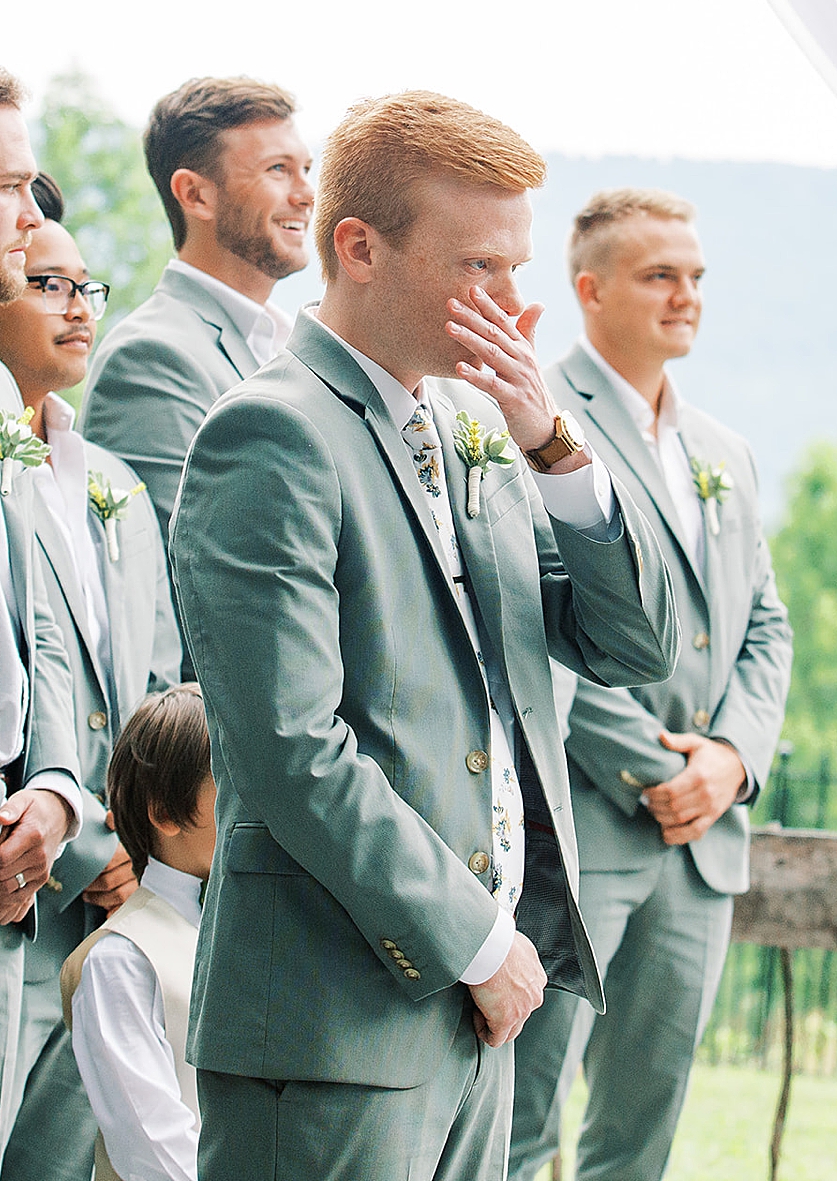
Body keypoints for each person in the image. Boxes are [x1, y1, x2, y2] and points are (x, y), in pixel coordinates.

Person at [168, 91, 680, 1181]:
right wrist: (480, 943)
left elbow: (631, 650)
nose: (511, 307)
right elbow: (291, 748)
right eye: (478, 267)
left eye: (516, 269)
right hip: (331, 1030)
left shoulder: (471, 427)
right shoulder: (270, 432)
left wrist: (551, 446)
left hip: (475, 1021)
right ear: (359, 248)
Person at [508, 188, 793, 1181]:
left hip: (701, 840)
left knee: (641, 1135)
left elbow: (765, 623)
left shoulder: (726, 452)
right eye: (659, 275)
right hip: (583, 823)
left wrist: (730, 762)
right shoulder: (532, 418)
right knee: (522, 1117)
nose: (686, 296)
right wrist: (654, 769)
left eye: (696, 277)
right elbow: (535, 619)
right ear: (590, 290)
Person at [0, 172, 182, 1181]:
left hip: (112, 902)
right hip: (13, 883)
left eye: (87, 287)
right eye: (47, 283)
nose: (77, 307)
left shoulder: (116, 486)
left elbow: (159, 677)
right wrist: (74, 834)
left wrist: (137, 842)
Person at [0, 65, 81, 1181]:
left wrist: (53, 791)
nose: (31, 213)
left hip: (4, 887)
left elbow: (30, 629)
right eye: (9, 186)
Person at [81, 75, 314, 542]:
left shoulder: (293, 343)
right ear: (195, 195)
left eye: (306, 169)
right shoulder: (149, 359)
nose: (306, 194)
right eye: (278, 169)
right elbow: (186, 558)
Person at [62, 684, 213, 1181]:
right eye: (230, 785)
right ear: (165, 813)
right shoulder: (119, 961)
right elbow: (153, 1150)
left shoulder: (250, 931)